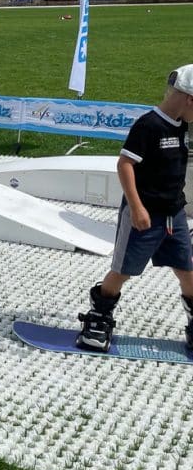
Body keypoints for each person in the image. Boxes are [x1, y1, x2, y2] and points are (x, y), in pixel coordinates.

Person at [76, 65, 193, 352]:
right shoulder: (149, 125)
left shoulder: (184, 126)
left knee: (187, 271)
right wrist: (138, 208)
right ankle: (99, 317)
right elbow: (125, 164)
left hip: (174, 214)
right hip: (144, 214)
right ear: (190, 100)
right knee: (123, 270)